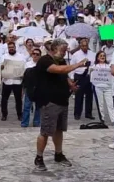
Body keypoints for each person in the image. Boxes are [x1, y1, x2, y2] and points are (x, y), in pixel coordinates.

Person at [32, 40, 82, 171]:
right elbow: (59, 70)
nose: (65, 53)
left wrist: (71, 84)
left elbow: (64, 75)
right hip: (49, 101)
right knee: (45, 131)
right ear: (54, 49)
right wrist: (78, 64)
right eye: (63, 50)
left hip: (62, 100)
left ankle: (58, 154)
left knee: (59, 129)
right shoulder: (45, 60)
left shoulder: (61, 60)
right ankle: (39, 157)